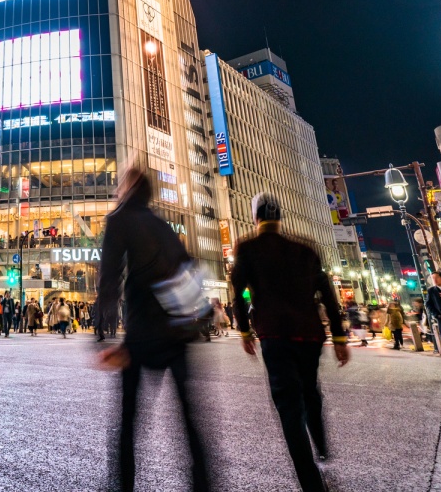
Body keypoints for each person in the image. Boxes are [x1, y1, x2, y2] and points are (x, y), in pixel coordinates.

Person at [96, 167, 211, 492]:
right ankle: (202, 482)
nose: (117, 189)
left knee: (129, 420)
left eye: (121, 183)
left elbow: (109, 280)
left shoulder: (120, 219)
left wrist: (105, 333)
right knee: (189, 418)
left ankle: (124, 485)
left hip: (142, 334)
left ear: (130, 187)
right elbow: (188, 271)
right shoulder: (163, 226)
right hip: (176, 332)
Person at [231, 192, 349, 492]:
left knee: (288, 405)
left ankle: (311, 482)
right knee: (310, 388)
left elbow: (237, 291)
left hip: (274, 334)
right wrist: (338, 336)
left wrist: (245, 332)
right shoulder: (305, 249)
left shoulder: (247, 247)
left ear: (255, 217)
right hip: (309, 333)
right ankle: (321, 443)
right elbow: (326, 292)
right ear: (279, 217)